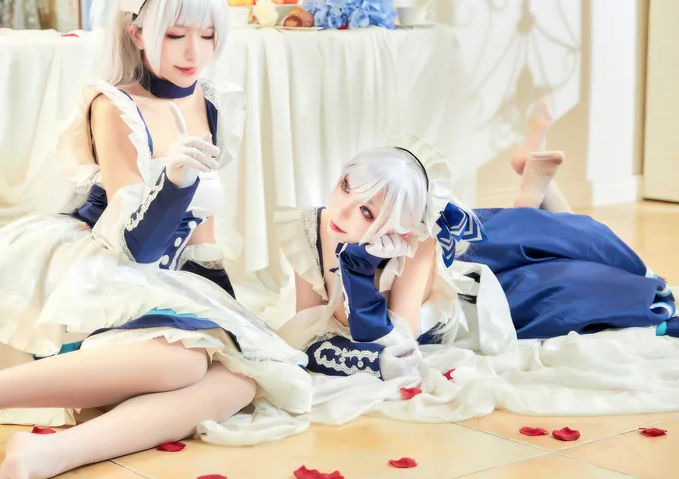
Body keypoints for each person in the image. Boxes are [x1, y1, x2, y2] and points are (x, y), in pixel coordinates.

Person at [0, 0, 312, 479]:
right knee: (183, 361)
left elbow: (204, 231)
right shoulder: (114, 106)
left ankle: (49, 454)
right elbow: (135, 244)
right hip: (105, 259)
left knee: (242, 377)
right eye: (176, 34)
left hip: (170, 279)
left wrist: (223, 317)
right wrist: (174, 184)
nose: (194, 53)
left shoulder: (213, 101)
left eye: (208, 35)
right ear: (138, 33)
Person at [275, 101, 677, 380]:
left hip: (473, 289)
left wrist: (358, 274)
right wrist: (357, 272)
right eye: (346, 186)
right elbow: (308, 328)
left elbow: (398, 337)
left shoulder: (418, 243)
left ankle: (535, 191)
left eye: (366, 210)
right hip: (476, 282)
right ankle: (534, 187)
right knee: (561, 273)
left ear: (400, 226)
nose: (341, 212)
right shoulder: (311, 228)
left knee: (563, 241)